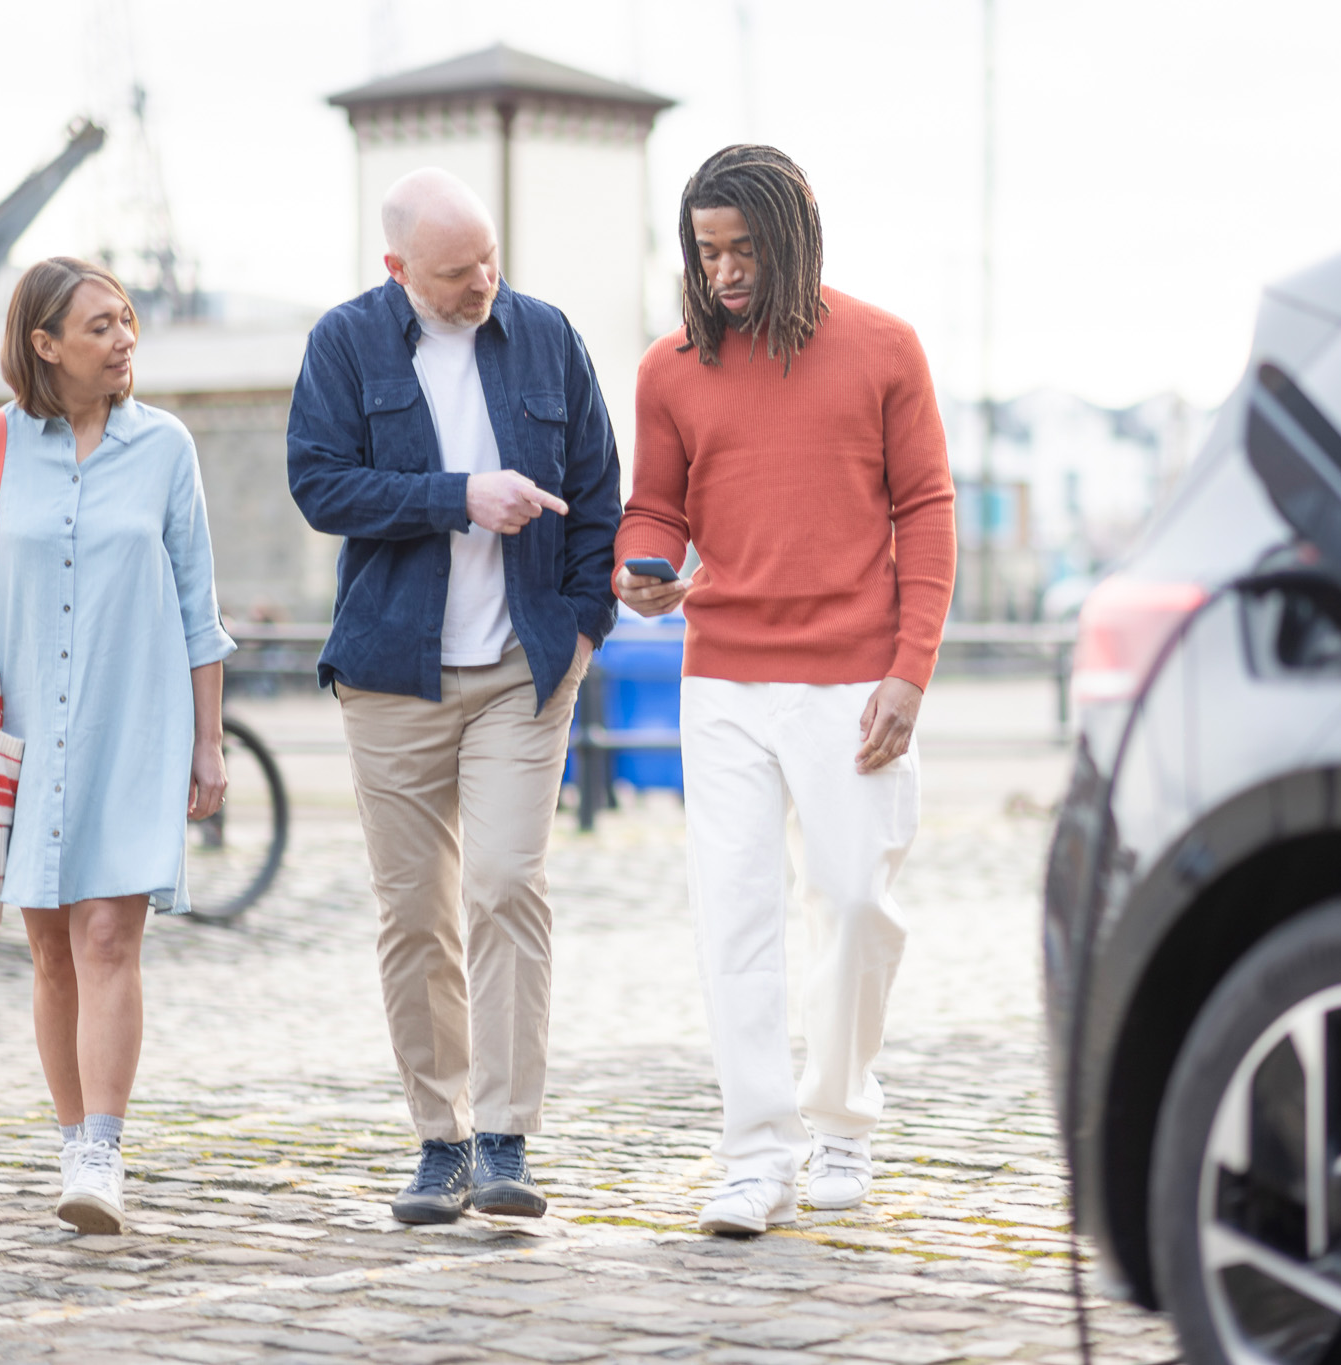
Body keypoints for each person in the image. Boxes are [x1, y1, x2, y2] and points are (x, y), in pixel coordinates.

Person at [613, 145, 957, 1234]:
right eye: (706, 251)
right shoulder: (669, 368)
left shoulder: (885, 348)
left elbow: (929, 512)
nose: (722, 272)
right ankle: (753, 1153)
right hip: (721, 680)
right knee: (736, 919)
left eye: (743, 249)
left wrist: (909, 671)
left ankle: (841, 1124)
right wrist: (643, 565)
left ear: (795, 232)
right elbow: (654, 506)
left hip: (855, 679)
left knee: (855, 904)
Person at [287, 169, 621, 1224]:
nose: (483, 281)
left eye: (487, 259)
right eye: (455, 271)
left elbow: (602, 491)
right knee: (414, 915)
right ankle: (439, 1141)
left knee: (506, 886)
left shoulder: (548, 336)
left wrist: (579, 630)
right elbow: (318, 484)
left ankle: (506, 1134)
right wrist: (455, 497)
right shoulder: (343, 345)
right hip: (393, 672)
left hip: (525, 666)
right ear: (397, 270)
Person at [0, 257, 236, 1234]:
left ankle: (102, 1150)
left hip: (136, 722)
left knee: (106, 934)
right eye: (100, 326)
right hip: (21, 734)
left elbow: (197, 606)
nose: (123, 338)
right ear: (43, 345)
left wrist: (208, 744)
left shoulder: (167, 447)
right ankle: (67, 1139)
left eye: (127, 321)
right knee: (49, 947)